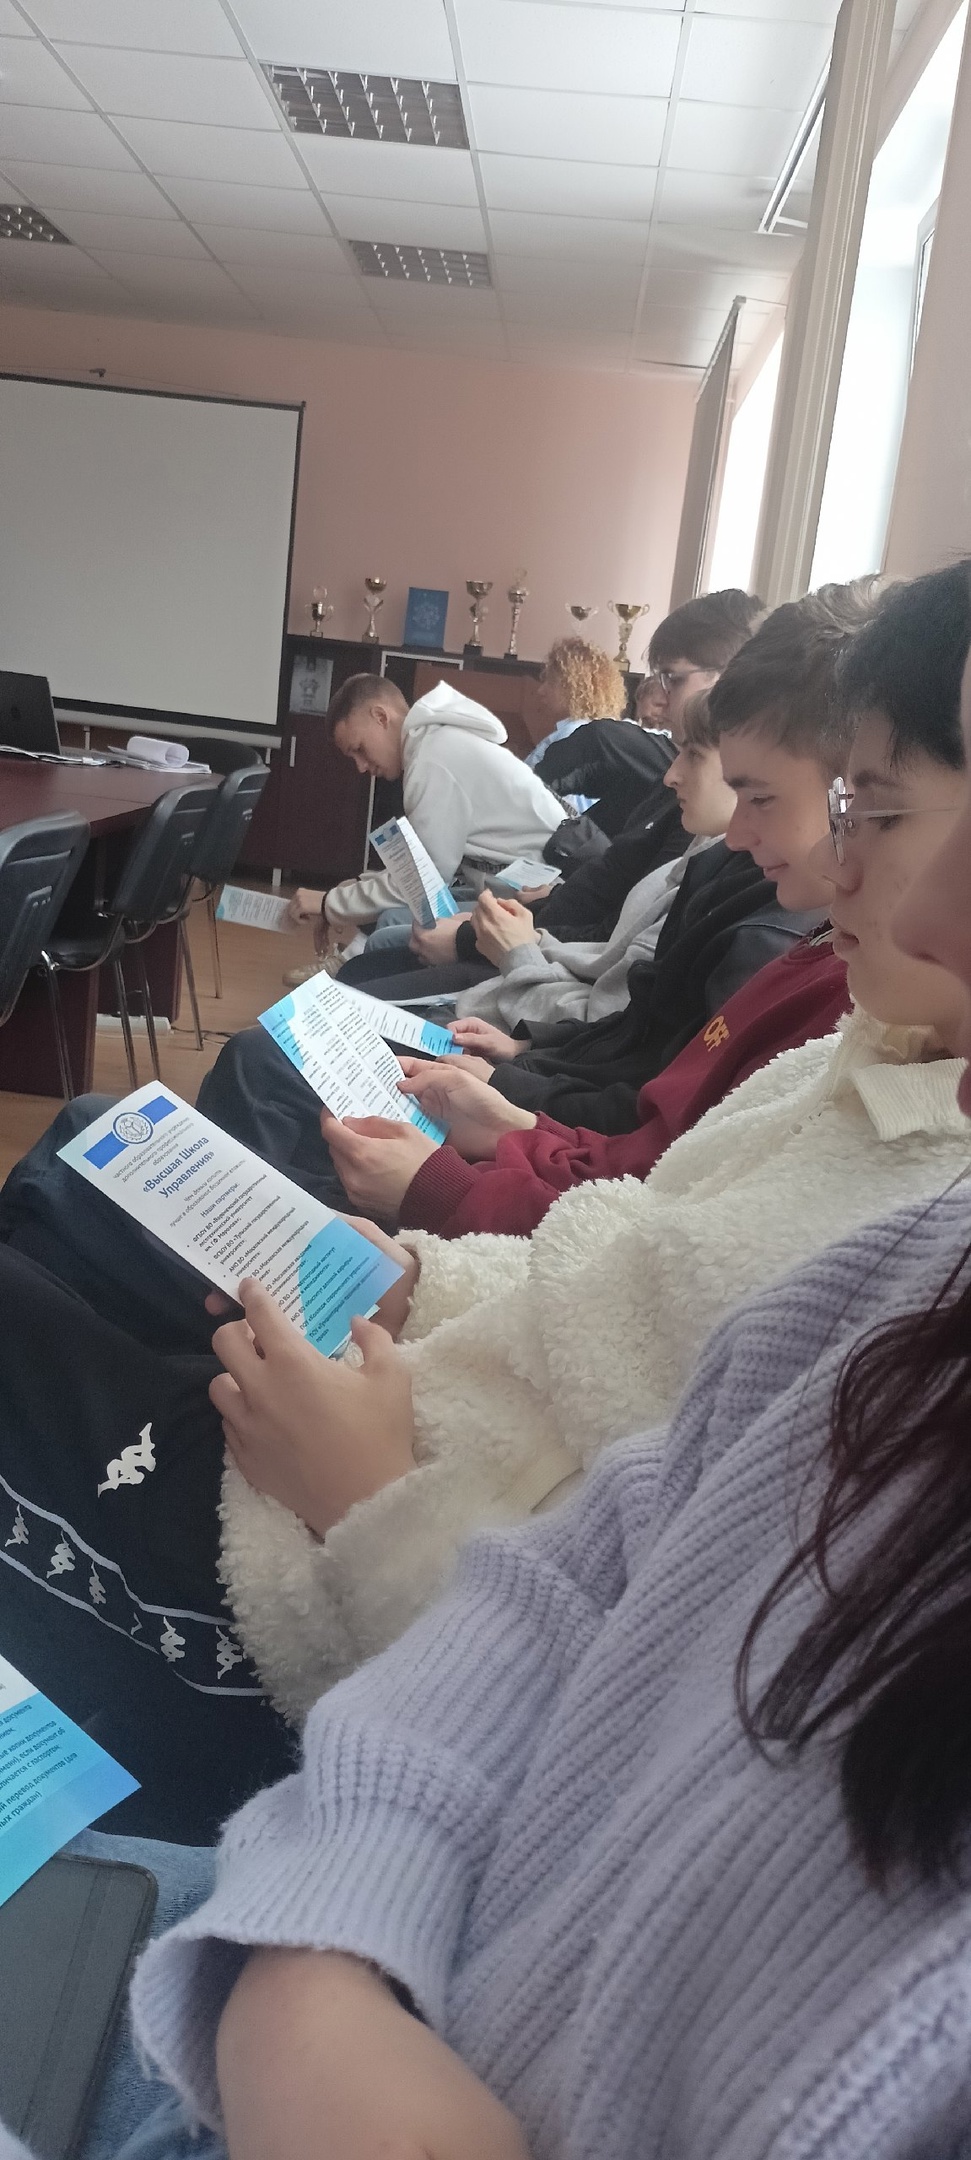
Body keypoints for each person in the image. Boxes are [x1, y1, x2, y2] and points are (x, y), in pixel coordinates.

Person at [14, 559, 971, 2160]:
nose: (892, 893)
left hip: (341, 1568)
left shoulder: (897, 1187)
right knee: (87, 1206)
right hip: (382, 1608)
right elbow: (585, 1569)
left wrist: (365, 1503)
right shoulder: (878, 1154)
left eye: (869, 809)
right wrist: (417, 1280)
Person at [449, 692, 737, 1036]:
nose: (671, 775)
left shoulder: (715, 883)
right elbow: (606, 956)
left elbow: (603, 1024)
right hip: (535, 993)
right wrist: (533, 939)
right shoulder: (697, 851)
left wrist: (517, 950)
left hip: (535, 1011)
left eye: (694, 755)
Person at [286, 673, 567, 965]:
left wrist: (328, 903)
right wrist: (349, 890)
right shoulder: (437, 743)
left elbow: (420, 885)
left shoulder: (432, 759)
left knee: (393, 929)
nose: (360, 766)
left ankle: (347, 975)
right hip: (524, 894)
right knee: (391, 918)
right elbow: (418, 868)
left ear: (381, 717)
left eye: (359, 749)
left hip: (543, 906)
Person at [530, 588, 764, 841]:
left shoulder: (705, 809)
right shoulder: (663, 783)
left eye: (673, 679)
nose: (661, 699)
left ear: (729, 677)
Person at [523, 637, 627, 816]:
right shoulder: (601, 733)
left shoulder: (574, 737)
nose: (541, 690)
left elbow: (548, 802)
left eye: (550, 682)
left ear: (573, 687)